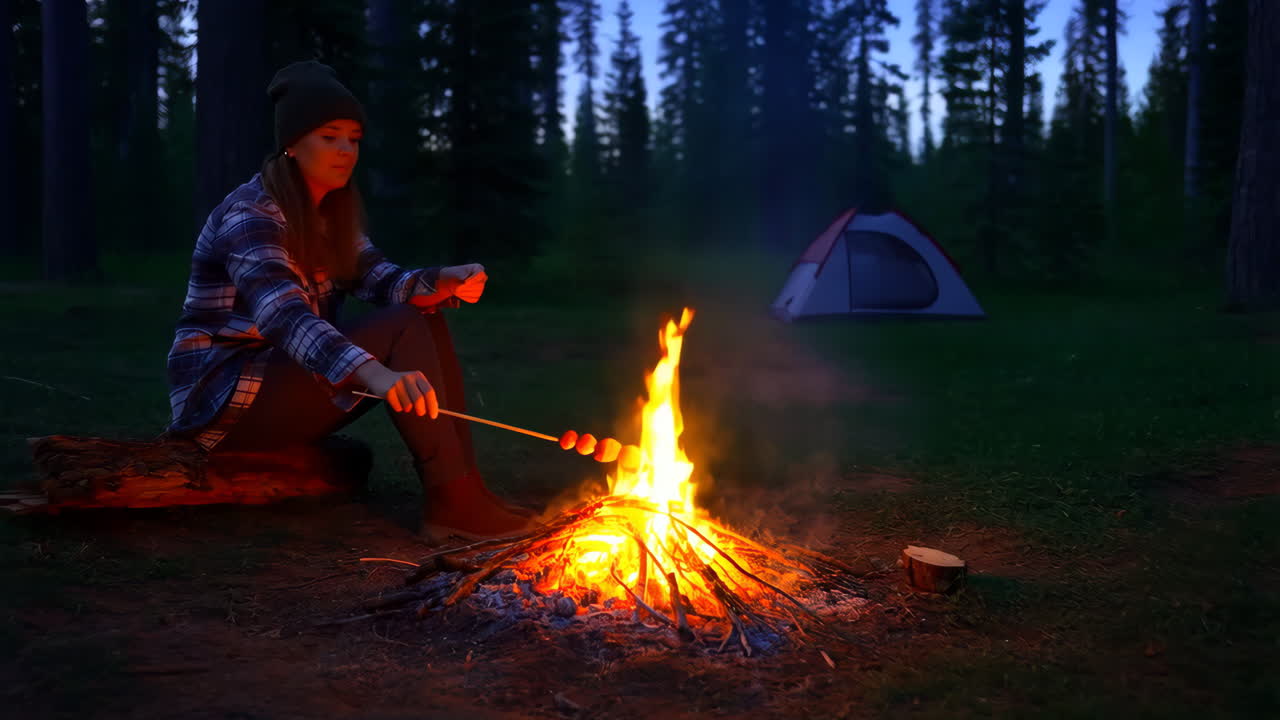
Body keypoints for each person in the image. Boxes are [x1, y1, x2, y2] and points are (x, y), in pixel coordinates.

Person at [164, 60, 534, 543]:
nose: (345, 151)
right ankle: (456, 505)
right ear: (292, 144)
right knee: (402, 324)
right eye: (329, 137)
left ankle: (466, 495)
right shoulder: (250, 215)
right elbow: (284, 315)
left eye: (353, 139)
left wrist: (442, 280)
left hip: (279, 389)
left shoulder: (328, 214)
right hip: (223, 404)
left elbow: (383, 280)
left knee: (417, 314)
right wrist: (377, 374)